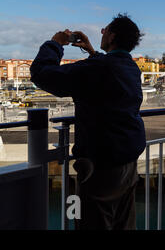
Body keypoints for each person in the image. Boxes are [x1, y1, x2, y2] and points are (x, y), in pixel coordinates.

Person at [30, 13, 146, 230]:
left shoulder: (98, 69)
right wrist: (93, 52)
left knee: (91, 222)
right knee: (124, 224)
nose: (101, 32)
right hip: (128, 163)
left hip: (100, 167)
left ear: (112, 37)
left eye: (105, 30)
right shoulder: (130, 67)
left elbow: (42, 74)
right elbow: (106, 73)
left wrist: (55, 44)